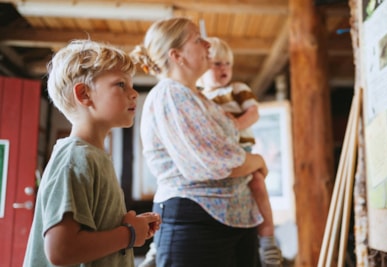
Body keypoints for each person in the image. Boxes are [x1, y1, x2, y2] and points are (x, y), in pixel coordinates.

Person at [130, 17, 268, 267]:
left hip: (232, 219)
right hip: (197, 221)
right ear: (177, 55)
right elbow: (214, 162)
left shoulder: (197, 97)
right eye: (198, 39)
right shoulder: (171, 93)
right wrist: (257, 160)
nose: (208, 45)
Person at [23, 39, 161, 267]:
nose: (134, 93)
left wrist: (129, 227)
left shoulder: (93, 156)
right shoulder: (76, 158)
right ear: (84, 94)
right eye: (121, 85)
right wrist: (128, 234)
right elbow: (61, 250)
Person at [200, 36, 283, 267]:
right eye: (217, 64)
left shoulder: (238, 89)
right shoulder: (200, 97)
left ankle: (268, 241)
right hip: (216, 153)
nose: (224, 68)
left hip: (242, 148)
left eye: (228, 64)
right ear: (202, 66)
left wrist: (235, 124)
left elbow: (254, 113)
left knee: (257, 183)